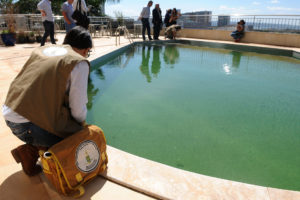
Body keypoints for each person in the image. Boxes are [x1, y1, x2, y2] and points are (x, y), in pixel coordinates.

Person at [2, 26, 92, 176]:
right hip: (26, 125)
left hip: (10, 113)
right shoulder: (78, 63)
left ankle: (33, 147)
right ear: (85, 50)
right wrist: (81, 128)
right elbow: (78, 109)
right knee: (79, 138)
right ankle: (31, 150)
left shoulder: (44, 50)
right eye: (88, 52)